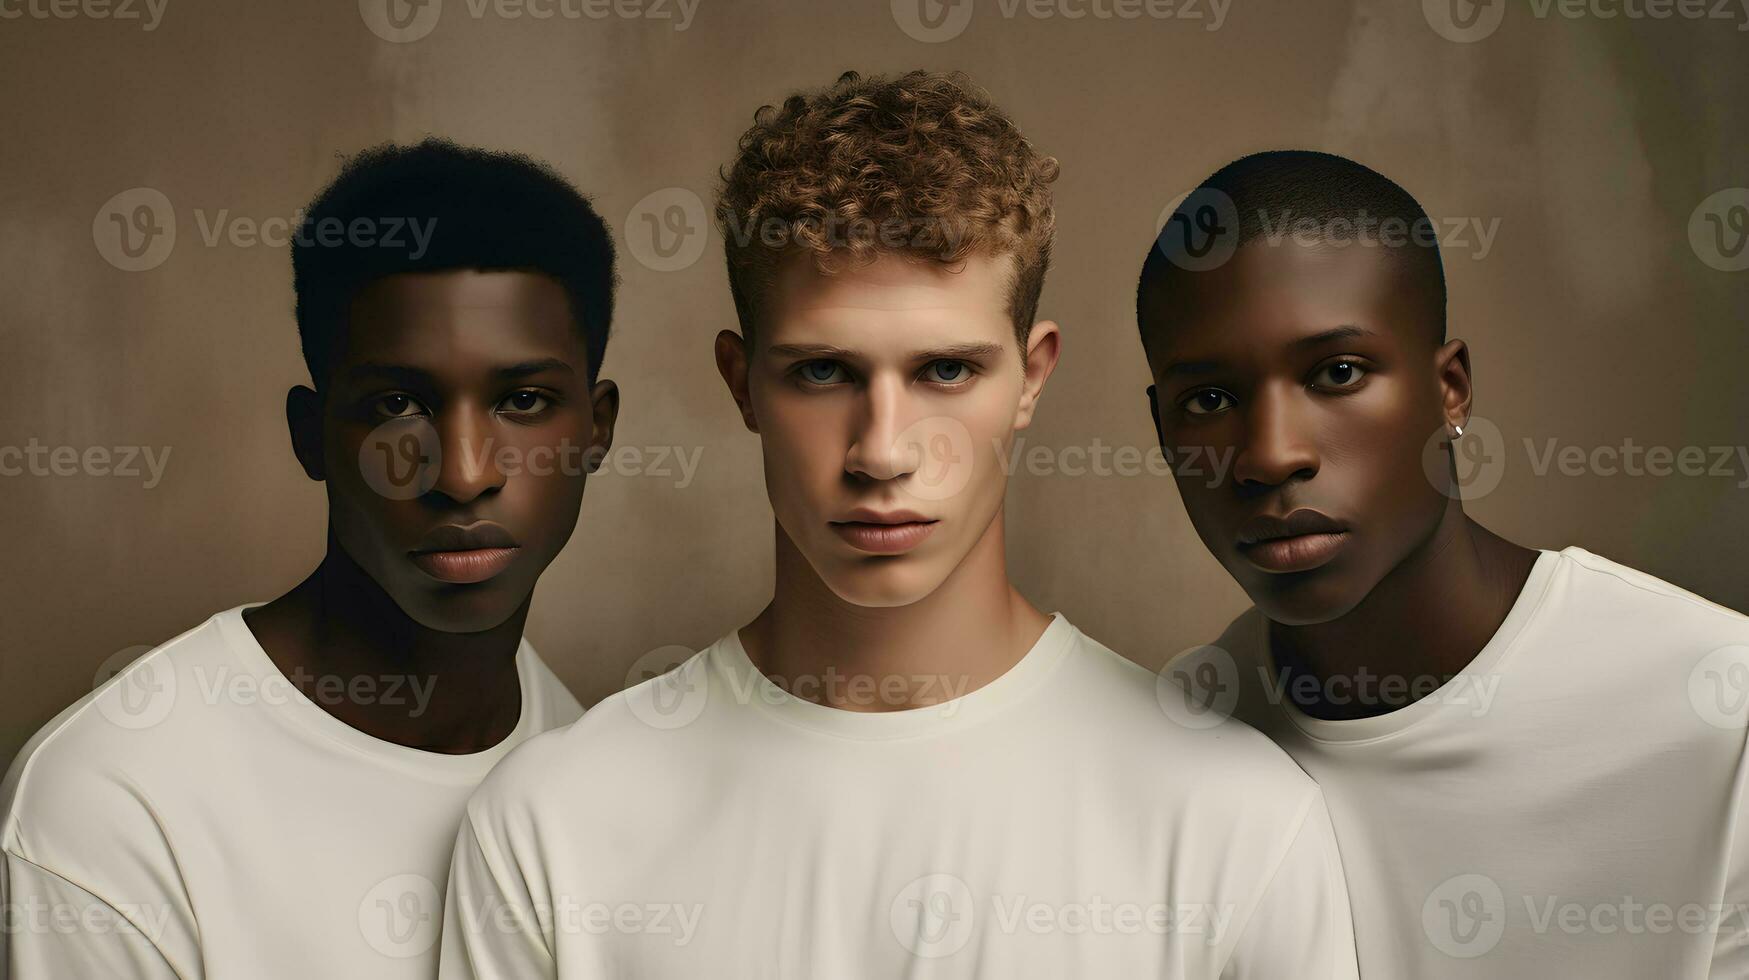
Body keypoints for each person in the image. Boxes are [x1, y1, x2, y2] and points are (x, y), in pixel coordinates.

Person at [439, 71, 1358, 979]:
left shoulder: (1233, 822)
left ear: (1031, 378)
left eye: (946, 372)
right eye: (822, 373)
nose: (883, 452)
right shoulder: (550, 826)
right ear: (740, 381)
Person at [1, 138, 621, 978]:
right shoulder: (114, 799)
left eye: (523, 400)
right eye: (397, 404)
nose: (465, 472)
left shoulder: (597, 781)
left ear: (596, 430)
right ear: (311, 435)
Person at [1138, 148, 1749, 977]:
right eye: (1207, 400)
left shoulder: (1717, 703)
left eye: (1337, 372)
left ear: (1450, 388)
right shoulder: (1175, 732)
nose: (1269, 455)